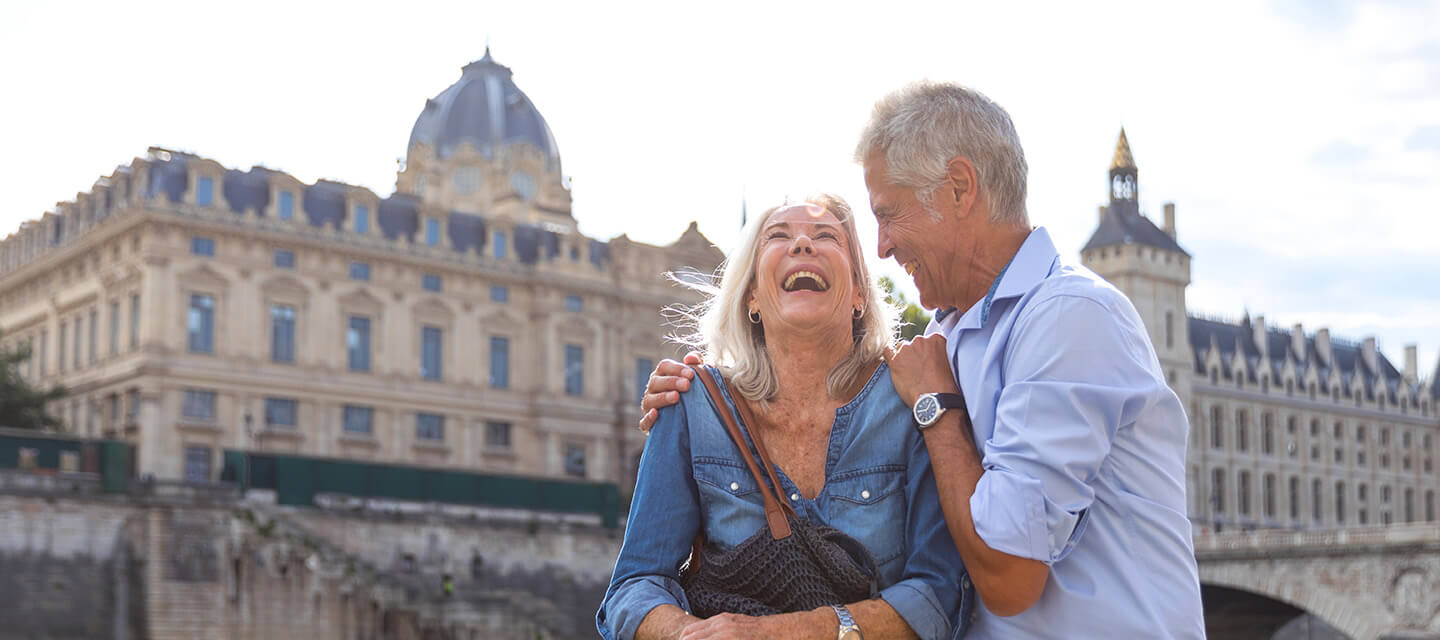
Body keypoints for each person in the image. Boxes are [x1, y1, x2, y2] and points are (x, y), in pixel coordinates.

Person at [641, 82, 1205, 639]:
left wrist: (938, 409)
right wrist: (695, 394)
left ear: (959, 188)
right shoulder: (946, 334)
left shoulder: (1068, 316)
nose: (882, 246)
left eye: (889, 214)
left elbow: (1008, 578)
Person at [598, 195, 972, 640]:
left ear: (858, 294)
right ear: (752, 295)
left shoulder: (910, 403)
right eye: (778, 235)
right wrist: (687, 634)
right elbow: (632, 586)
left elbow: (939, 595)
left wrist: (778, 632)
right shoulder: (692, 404)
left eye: (826, 236)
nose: (801, 245)